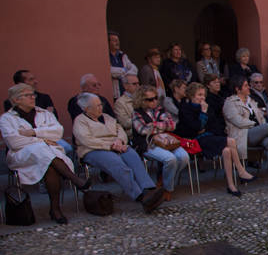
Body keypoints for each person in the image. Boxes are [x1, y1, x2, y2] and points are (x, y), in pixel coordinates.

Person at [1, 83, 90, 224]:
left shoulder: (45, 113)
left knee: (49, 164)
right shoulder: (7, 119)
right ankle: (73, 179)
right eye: (27, 95)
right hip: (22, 156)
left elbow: (58, 132)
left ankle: (55, 209)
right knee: (42, 149)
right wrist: (44, 140)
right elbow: (14, 142)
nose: (32, 97)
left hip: (49, 155)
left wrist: (34, 133)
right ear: (16, 99)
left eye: (33, 94)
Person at [73, 92, 166, 213]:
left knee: (132, 155)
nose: (101, 107)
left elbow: (120, 130)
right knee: (117, 163)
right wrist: (111, 146)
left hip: (116, 146)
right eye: (97, 106)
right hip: (94, 150)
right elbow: (86, 140)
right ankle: (140, 196)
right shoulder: (80, 121)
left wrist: (120, 141)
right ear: (87, 109)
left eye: (101, 104)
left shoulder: (107, 117)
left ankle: (148, 189)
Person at [175, 83, 254, 196]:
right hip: (194, 141)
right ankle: (241, 171)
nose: (202, 98)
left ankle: (231, 186)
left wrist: (202, 124)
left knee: (227, 151)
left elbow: (213, 125)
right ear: (191, 96)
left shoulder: (208, 107)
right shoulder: (185, 109)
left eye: (203, 95)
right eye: (199, 95)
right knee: (231, 141)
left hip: (209, 137)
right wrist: (202, 114)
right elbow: (195, 128)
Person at [131, 85, 189, 200]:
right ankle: (167, 189)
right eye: (150, 99)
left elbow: (172, 125)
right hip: (148, 143)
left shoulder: (160, 109)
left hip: (166, 141)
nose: (154, 101)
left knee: (184, 157)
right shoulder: (136, 113)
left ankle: (164, 180)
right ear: (141, 100)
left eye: (155, 98)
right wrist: (162, 126)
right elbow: (142, 130)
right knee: (170, 159)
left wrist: (154, 125)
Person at [108, 31, 138, 99]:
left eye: (118, 40)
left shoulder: (122, 55)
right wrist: (125, 70)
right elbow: (111, 71)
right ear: (108, 42)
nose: (117, 42)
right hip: (115, 94)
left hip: (126, 92)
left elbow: (134, 69)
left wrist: (121, 74)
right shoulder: (106, 56)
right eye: (114, 41)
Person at [113, 73, 141, 139]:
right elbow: (124, 123)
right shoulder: (120, 103)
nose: (138, 86)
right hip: (134, 135)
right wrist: (142, 119)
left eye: (138, 83)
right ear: (125, 86)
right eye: (134, 84)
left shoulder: (144, 98)